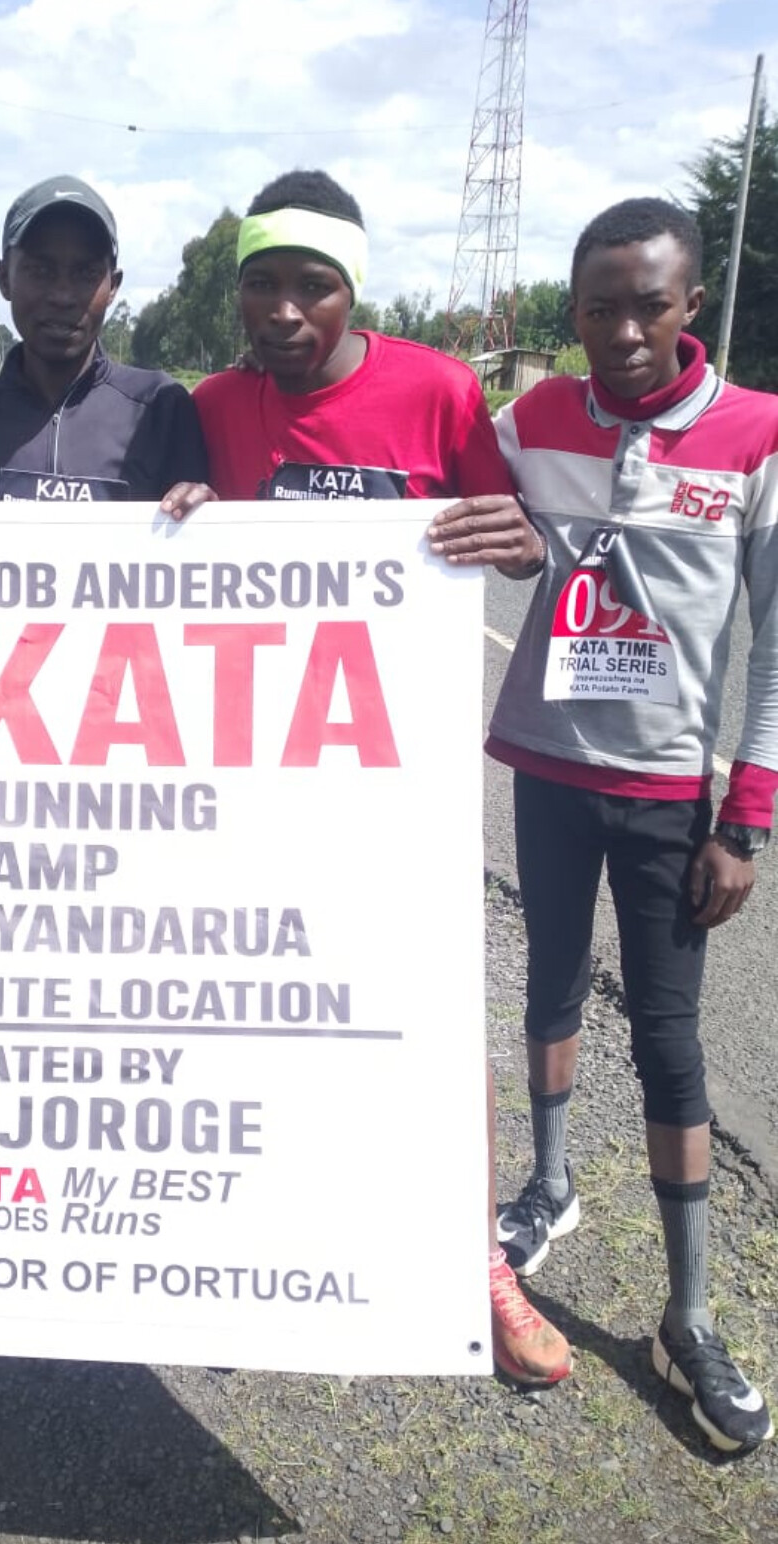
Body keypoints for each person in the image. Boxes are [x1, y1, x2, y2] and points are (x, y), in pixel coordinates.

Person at [0, 168, 572, 1389]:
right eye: (261, 285)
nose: (284, 311)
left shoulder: (438, 389)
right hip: (244, 784)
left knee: (431, 1012)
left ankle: (478, 1263)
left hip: (389, 780)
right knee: (241, 1009)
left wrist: (524, 544)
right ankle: (248, 1247)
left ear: (352, 290)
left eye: (311, 287)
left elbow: (518, 534)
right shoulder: (209, 405)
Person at [488, 197, 777, 1453]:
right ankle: (548, 1185)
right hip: (546, 768)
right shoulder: (531, 419)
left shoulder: (758, 432)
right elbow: (434, 494)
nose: (621, 331)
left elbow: (774, 649)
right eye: (597, 308)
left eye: (647, 306)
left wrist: (744, 821)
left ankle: (689, 1315)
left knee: (669, 1042)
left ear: (690, 304)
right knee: (548, 984)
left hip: (669, 799)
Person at [0, 174, 211, 505]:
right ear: (4, 278)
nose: (62, 296)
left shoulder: (160, 409)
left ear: (113, 286)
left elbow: (197, 531)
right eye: (40, 271)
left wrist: (209, 515)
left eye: (86, 274)